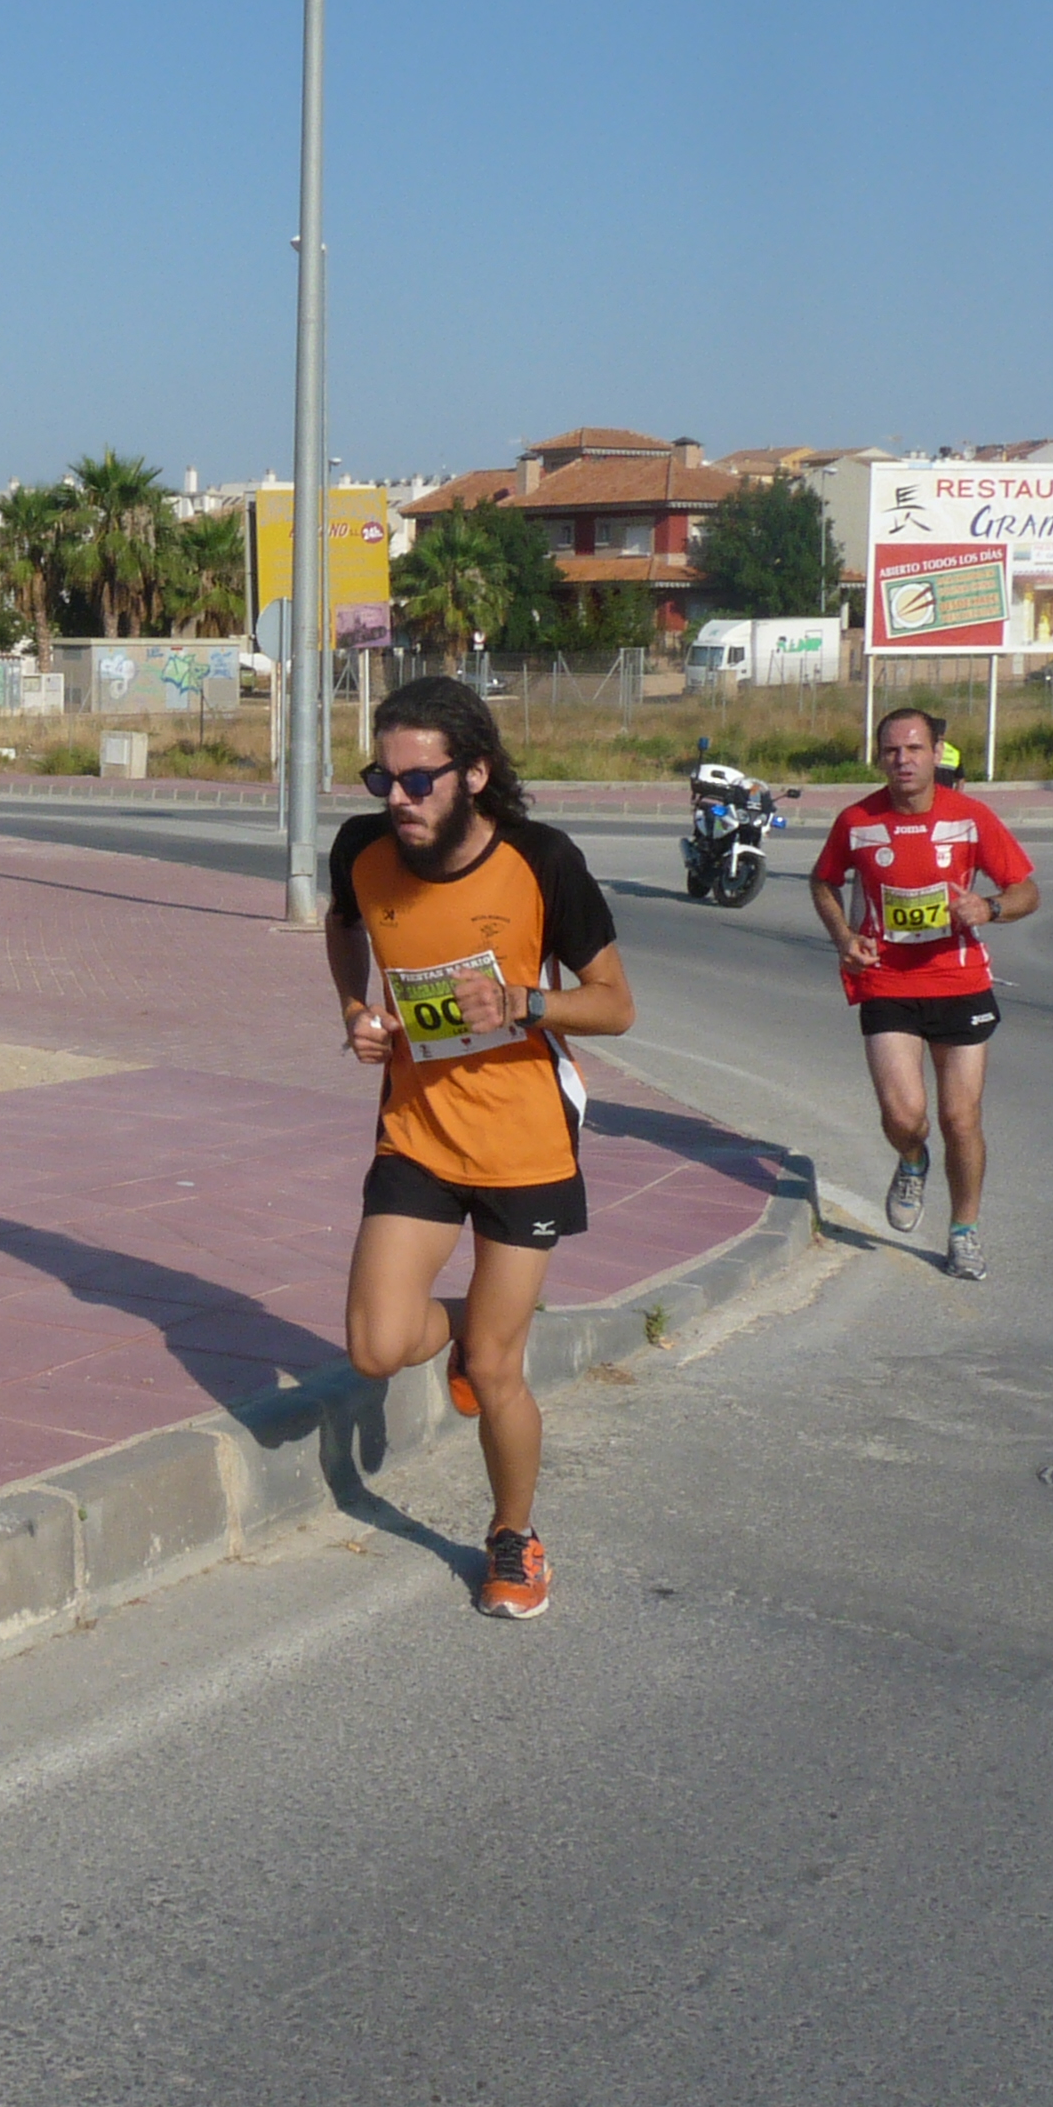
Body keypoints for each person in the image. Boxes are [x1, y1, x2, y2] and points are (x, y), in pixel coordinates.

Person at [327, 674, 636, 1619]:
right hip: (417, 1131)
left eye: (419, 781)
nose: (398, 798)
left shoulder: (541, 860)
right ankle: (473, 1324)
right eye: (383, 778)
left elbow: (616, 1006)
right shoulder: (361, 851)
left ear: (475, 774)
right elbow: (345, 929)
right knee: (376, 1348)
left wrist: (523, 1002)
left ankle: (513, 1535)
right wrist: (355, 1010)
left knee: (498, 1370)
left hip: (524, 1145)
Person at [808, 706, 1039, 1281]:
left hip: (959, 981)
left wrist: (989, 907)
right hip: (887, 981)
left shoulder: (970, 817)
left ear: (937, 753)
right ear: (879, 757)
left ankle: (964, 1231)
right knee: (904, 1115)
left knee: (960, 1117)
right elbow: (823, 881)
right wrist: (844, 938)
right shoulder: (857, 820)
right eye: (891, 751)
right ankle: (912, 1161)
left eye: (914, 749)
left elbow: (1026, 890)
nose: (903, 760)